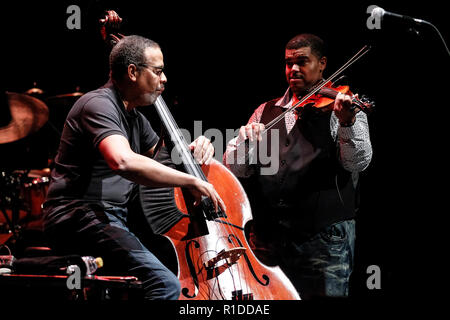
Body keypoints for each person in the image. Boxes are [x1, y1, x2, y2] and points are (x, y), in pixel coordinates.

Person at [42, 35, 225, 300]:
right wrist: (192, 182)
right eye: (158, 71)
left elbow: (160, 162)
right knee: (165, 286)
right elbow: (123, 161)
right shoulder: (98, 104)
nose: (164, 79)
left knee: (162, 276)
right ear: (132, 72)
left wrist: (193, 151)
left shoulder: (136, 119)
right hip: (77, 216)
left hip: (111, 219)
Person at [223, 33, 372, 299]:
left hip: (324, 237)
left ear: (323, 63)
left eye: (302, 61)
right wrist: (246, 143)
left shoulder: (343, 107)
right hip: (270, 238)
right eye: (288, 62)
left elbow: (358, 161)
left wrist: (347, 122)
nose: (293, 69)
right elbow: (235, 170)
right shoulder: (265, 110)